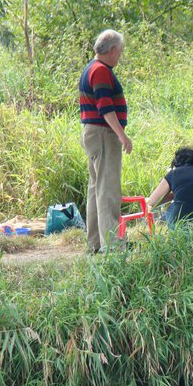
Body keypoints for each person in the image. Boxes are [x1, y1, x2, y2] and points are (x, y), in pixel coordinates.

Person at [79, 29, 133, 253]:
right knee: (108, 190)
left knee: (96, 188)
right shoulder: (101, 71)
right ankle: (113, 247)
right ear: (112, 50)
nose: (120, 55)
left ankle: (94, 243)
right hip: (103, 134)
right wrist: (122, 135)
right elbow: (105, 107)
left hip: (93, 133)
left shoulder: (91, 68)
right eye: (120, 51)